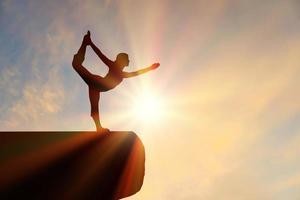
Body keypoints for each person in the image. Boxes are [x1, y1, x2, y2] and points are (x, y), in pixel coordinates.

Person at [72, 31, 160, 132]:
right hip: (96, 82)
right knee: (76, 64)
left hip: (97, 86)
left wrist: (150, 68)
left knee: (95, 108)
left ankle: (98, 128)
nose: (129, 61)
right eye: (127, 59)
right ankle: (85, 41)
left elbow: (137, 73)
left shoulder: (122, 74)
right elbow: (100, 55)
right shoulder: (114, 66)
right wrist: (90, 43)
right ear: (122, 60)